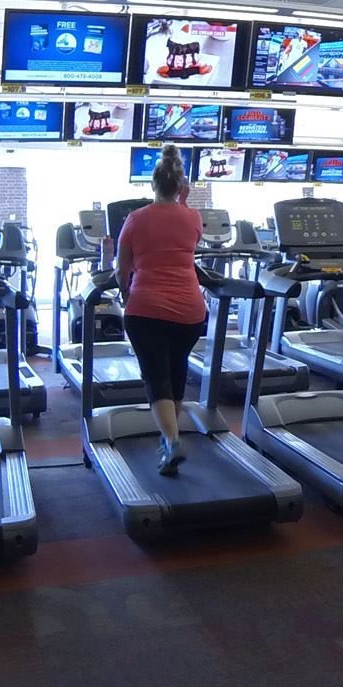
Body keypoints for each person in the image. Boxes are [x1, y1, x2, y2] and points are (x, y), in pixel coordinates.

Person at [114, 154, 209, 475]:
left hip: (147, 310)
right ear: (181, 186)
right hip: (191, 312)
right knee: (176, 370)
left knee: (156, 377)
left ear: (152, 184)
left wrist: (126, 293)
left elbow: (121, 269)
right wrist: (183, 196)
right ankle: (170, 439)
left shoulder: (136, 218)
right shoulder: (192, 217)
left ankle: (171, 441)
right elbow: (185, 225)